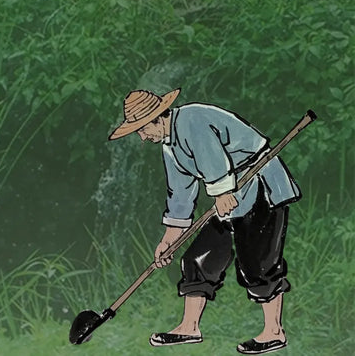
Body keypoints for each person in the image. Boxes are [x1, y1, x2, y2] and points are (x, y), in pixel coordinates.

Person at [106, 88, 302, 354]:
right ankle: (189, 327)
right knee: (197, 258)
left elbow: (213, 159)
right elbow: (180, 194)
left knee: (258, 261)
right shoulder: (170, 146)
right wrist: (169, 240)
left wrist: (221, 192)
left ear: (157, 118)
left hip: (259, 185)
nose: (142, 137)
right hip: (229, 197)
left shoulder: (191, 120)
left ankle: (274, 332)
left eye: (142, 129)